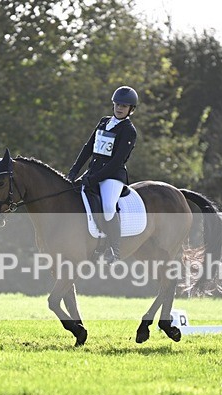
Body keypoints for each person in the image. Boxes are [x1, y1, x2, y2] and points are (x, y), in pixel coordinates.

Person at [68, 85, 139, 263]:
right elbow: (88, 148)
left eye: (124, 106)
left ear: (131, 109)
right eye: (117, 104)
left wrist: (94, 178)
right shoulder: (104, 122)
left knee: (108, 206)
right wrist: (74, 170)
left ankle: (114, 250)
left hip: (112, 176)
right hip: (93, 172)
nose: (119, 108)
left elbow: (117, 161)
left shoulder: (129, 130)